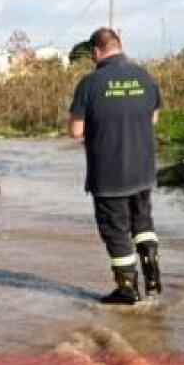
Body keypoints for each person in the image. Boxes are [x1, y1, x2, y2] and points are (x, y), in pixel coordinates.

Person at [68, 28, 162, 305]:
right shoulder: (144, 76)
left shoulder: (90, 83)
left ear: (96, 52)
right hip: (142, 169)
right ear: (119, 46)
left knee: (116, 230)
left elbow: (75, 131)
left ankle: (127, 291)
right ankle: (153, 280)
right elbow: (153, 119)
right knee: (143, 223)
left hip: (109, 173)